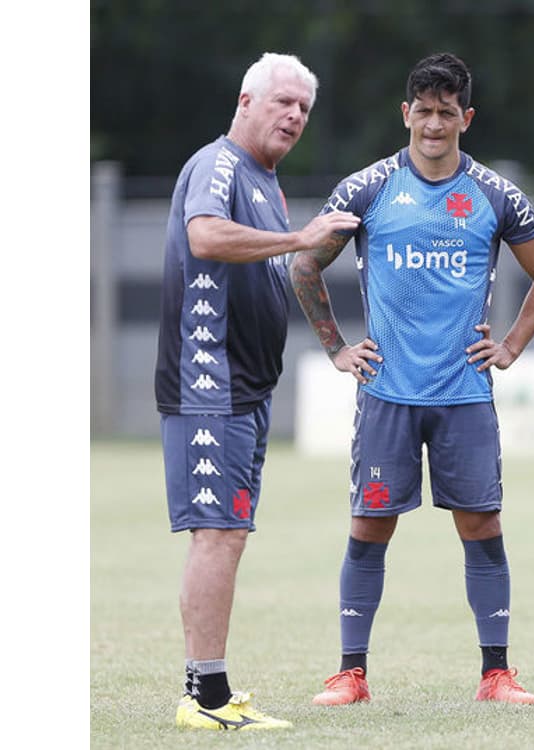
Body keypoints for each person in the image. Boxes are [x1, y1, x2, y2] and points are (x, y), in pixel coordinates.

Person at [290, 52, 534, 707]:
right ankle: (350, 674)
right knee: (369, 528)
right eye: (424, 111)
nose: (434, 124)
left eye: (447, 112)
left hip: (464, 396)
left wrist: (512, 345)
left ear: (465, 117)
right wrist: (335, 349)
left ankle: (496, 674)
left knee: (481, 526)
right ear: (405, 113)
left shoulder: (495, 195)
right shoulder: (368, 189)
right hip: (386, 393)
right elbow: (303, 267)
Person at [155, 52, 361, 731]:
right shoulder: (218, 166)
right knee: (216, 536)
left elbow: (281, 268)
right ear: (246, 101)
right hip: (206, 383)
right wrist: (299, 235)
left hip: (246, 390)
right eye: (283, 102)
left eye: (304, 107)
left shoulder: (264, 181)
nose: (295, 116)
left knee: (230, 535)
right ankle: (205, 700)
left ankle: (211, 692)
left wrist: (332, 345)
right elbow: (205, 235)